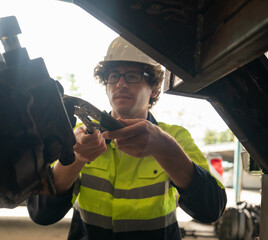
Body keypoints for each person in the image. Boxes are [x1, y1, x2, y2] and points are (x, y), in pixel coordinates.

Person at [27, 36, 227, 240]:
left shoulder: (173, 138)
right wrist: (77, 158)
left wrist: (165, 149)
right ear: (106, 86)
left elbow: (211, 209)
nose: (120, 84)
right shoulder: (77, 138)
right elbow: (41, 213)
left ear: (155, 88)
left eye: (132, 76)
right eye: (113, 76)